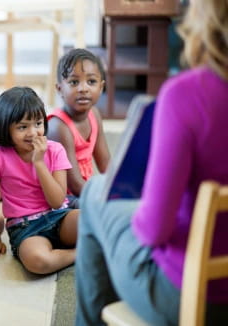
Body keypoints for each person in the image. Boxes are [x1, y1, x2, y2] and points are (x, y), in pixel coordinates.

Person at [75, 0, 228, 324]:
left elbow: (154, 230)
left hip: (191, 296)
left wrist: (147, 200)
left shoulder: (188, 95)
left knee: (95, 193)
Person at [0, 86, 78, 275]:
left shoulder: (55, 149)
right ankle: (79, 253)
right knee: (38, 262)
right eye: (22, 127)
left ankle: (72, 248)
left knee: (93, 221)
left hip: (59, 216)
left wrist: (39, 163)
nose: (33, 133)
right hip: (25, 227)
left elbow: (57, 202)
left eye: (38, 123)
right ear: (5, 127)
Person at [46, 48, 110, 208]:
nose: (83, 88)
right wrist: (104, 198)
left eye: (91, 82)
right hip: (62, 197)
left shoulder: (94, 114)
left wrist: (119, 189)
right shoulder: (59, 126)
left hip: (83, 190)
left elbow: (106, 163)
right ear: (60, 89)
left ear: (101, 87)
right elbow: (73, 183)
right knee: (101, 211)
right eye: (74, 82)